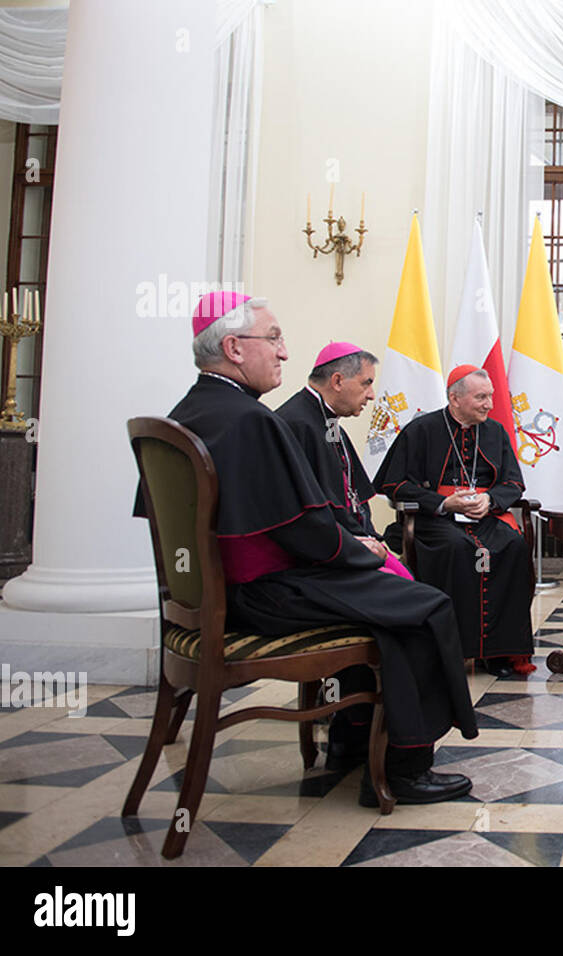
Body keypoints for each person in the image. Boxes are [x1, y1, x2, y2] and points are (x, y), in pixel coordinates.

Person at [139, 291, 478, 807]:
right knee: (425, 606)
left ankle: (353, 742)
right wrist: (366, 556)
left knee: (386, 609)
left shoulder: (190, 412)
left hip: (221, 596)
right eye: (273, 339)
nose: (283, 353)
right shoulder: (251, 420)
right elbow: (305, 530)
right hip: (263, 595)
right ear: (233, 347)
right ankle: (404, 768)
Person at [276, 341, 410, 772]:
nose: (371, 395)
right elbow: (307, 517)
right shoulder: (298, 424)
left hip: (343, 548)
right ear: (338, 380)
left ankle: (363, 730)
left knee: (409, 589)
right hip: (318, 564)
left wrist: (368, 537)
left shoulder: (323, 419)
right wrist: (358, 544)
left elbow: (350, 498)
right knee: (409, 606)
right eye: (367, 384)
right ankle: (376, 738)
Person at [375, 365, 534, 679]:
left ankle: (498, 652)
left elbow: (514, 483)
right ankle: (452, 649)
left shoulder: (496, 432)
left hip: (484, 516)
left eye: (490, 396)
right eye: (481, 397)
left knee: (512, 546)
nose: (489, 404)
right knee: (456, 547)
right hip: (436, 518)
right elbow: (392, 484)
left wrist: (490, 500)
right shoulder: (421, 430)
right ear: (455, 398)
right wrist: (443, 502)